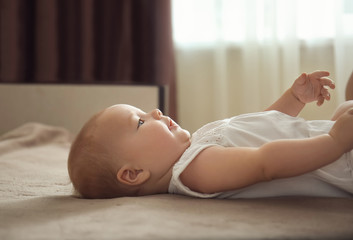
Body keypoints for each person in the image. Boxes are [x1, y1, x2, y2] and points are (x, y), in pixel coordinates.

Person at [68, 70, 353, 199]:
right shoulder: (196, 170)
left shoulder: (195, 147)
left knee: (345, 105)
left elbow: (261, 129)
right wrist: (335, 141)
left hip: (329, 145)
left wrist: (294, 99)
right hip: (337, 162)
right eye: (140, 122)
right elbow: (266, 162)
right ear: (134, 174)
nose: (154, 112)